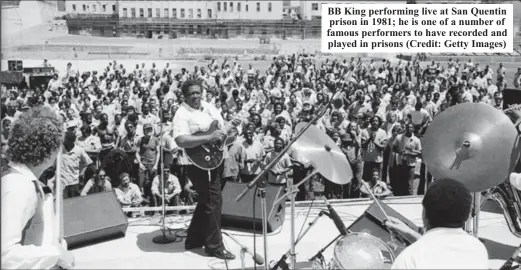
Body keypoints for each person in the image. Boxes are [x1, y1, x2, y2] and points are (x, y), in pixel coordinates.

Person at [1, 105, 75, 269]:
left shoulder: (27, 182)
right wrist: (56, 256)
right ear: (48, 152)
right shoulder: (18, 186)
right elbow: (5, 255)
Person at [172, 79, 237, 260]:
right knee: (214, 201)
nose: (195, 96)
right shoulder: (181, 114)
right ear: (184, 96)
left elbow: (220, 132)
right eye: (191, 93)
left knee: (207, 200)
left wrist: (231, 129)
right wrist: (209, 138)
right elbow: (180, 140)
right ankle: (215, 247)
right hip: (197, 162)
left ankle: (194, 239)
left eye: (198, 92)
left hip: (215, 159)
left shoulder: (209, 107)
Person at [385, 178, 488, 269]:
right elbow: (445, 255)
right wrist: (411, 234)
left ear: (424, 214)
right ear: (466, 216)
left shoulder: (409, 258)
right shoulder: (478, 249)